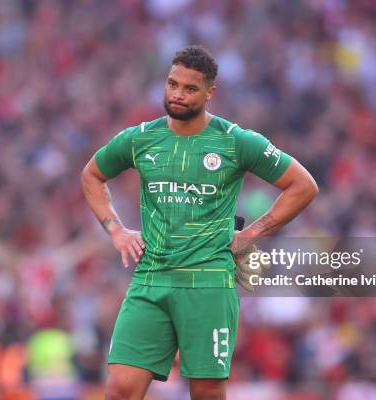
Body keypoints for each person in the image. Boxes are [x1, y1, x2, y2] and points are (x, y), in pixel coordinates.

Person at [81, 45, 318, 400]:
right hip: (151, 278)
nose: (178, 94)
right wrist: (115, 229)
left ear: (210, 93)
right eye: (172, 84)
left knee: (206, 391)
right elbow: (92, 174)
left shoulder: (235, 141)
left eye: (190, 88)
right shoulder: (141, 138)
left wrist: (251, 233)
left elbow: (303, 186)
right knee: (119, 389)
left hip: (208, 283)